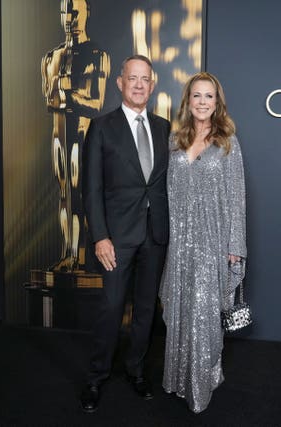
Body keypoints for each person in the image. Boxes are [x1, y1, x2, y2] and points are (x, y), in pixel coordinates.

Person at [79, 55, 171, 413]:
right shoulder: (101, 127)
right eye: (132, 78)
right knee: (112, 307)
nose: (138, 84)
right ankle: (96, 377)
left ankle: (135, 370)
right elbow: (91, 189)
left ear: (153, 84)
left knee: (147, 308)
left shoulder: (165, 128)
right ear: (120, 82)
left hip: (156, 235)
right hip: (115, 238)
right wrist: (100, 236)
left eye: (144, 79)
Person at [159, 72, 247, 413]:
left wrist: (234, 246)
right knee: (181, 309)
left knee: (205, 315)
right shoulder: (174, 140)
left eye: (209, 97)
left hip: (213, 241)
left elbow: (237, 198)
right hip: (180, 242)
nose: (202, 102)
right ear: (188, 100)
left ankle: (202, 382)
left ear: (217, 102)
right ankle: (179, 379)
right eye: (197, 96)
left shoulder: (228, 141)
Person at [41, 0, 110, 271]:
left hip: (84, 137)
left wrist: (67, 93)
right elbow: (48, 99)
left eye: (75, 11)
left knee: (81, 196)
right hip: (59, 137)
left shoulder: (97, 54)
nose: (69, 17)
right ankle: (68, 254)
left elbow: (96, 104)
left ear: (86, 13)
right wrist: (67, 96)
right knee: (63, 196)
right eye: (65, 12)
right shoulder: (51, 57)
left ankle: (83, 257)